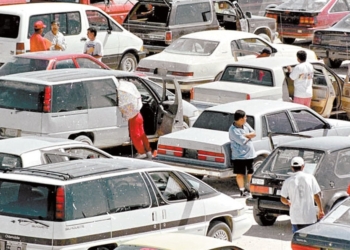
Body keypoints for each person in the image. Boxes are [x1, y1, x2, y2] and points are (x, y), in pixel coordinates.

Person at [280, 156, 324, 233]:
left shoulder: (287, 181)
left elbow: (282, 199)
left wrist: (288, 202)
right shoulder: (310, 178)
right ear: (303, 166)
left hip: (296, 217)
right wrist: (321, 210)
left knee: (297, 239)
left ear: (292, 168)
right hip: (309, 216)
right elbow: (316, 195)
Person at [229, 110, 256, 197]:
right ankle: (242, 190)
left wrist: (244, 135)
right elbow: (241, 141)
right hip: (239, 156)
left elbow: (254, 133)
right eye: (245, 117)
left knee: (250, 173)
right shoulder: (233, 130)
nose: (246, 118)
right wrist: (248, 136)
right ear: (240, 119)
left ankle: (250, 189)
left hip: (250, 154)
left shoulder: (245, 124)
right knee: (240, 174)